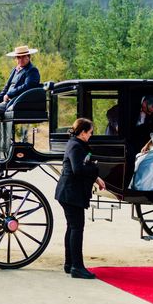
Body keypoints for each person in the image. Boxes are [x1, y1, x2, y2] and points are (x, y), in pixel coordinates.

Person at [54, 118, 106, 279]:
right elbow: (78, 169)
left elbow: (82, 166)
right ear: (83, 132)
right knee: (77, 228)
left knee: (72, 227)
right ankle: (77, 266)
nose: (91, 135)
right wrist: (95, 169)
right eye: (90, 132)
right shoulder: (76, 146)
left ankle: (69, 263)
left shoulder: (75, 144)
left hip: (69, 192)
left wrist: (96, 177)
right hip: (71, 192)